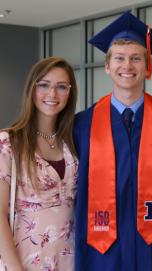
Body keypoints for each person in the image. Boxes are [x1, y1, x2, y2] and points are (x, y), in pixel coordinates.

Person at [73, 11, 152, 270]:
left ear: (147, 66)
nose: (127, 66)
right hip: (100, 250)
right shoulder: (82, 124)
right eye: (119, 58)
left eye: (136, 58)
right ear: (107, 66)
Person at [0, 57, 78, 271]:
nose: (52, 94)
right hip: (25, 263)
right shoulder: (8, 143)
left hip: (71, 262)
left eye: (61, 87)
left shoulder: (71, 143)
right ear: (31, 89)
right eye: (44, 85)